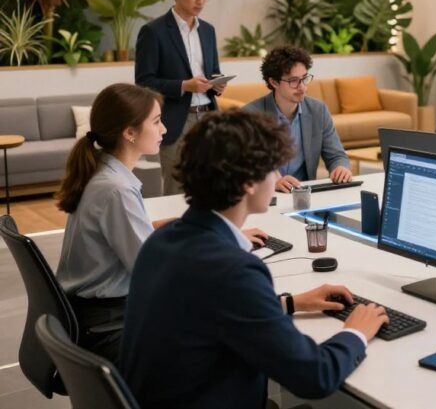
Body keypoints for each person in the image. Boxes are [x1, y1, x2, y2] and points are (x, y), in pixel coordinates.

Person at [120, 110, 388, 409]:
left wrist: (288, 303)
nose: (276, 177)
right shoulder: (233, 270)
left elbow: (209, 311)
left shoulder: (163, 240)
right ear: (248, 182)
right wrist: (356, 332)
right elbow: (315, 376)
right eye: (272, 168)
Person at [54, 84, 267, 364]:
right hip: (109, 326)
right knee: (226, 342)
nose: (164, 130)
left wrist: (212, 232)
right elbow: (153, 270)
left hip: (97, 315)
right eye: (156, 122)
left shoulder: (106, 174)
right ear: (129, 133)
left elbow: (139, 232)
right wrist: (223, 250)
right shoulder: (116, 189)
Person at [135, 0, 225, 195]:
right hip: (176, 120)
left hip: (208, 117)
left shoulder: (208, 30)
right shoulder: (153, 31)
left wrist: (217, 84)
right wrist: (185, 85)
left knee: (212, 183)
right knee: (177, 188)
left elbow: (213, 70)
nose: (201, 1)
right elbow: (144, 83)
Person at [244, 45, 352, 193]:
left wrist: (341, 167)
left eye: (304, 78)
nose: (302, 88)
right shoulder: (251, 115)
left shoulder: (318, 111)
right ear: (274, 82)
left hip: (304, 195)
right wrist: (270, 181)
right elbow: (243, 166)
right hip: (267, 197)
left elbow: (336, 155)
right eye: (293, 81)